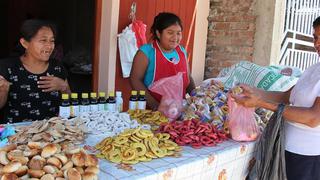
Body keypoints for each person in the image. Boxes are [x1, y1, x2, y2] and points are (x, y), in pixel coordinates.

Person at [232, 16, 320, 180]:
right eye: (315, 37)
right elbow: (286, 96)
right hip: (286, 148)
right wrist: (254, 92)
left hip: (309, 158)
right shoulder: (313, 69)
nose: (317, 44)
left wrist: (261, 103)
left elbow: (313, 118)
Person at [0, 19, 71, 123]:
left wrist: (63, 87)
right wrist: (3, 91)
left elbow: (70, 103)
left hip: (52, 132)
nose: (49, 46)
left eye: (52, 41)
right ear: (25, 43)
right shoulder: (6, 67)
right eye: (43, 40)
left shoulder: (57, 67)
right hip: (16, 134)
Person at [130, 12, 195, 110]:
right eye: (170, 33)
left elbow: (188, 78)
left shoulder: (181, 51)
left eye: (178, 33)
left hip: (178, 111)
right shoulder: (146, 52)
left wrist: (197, 97)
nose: (175, 38)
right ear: (158, 33)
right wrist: (155, 106)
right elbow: (135, 79)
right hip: (152, 113)